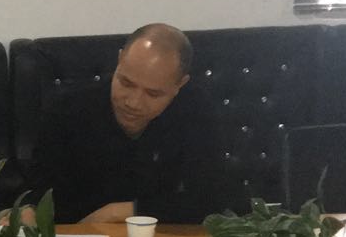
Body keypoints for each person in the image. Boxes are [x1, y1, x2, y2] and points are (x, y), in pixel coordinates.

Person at [25, 22, 225, 224]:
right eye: (126, 83)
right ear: (120, 59)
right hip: (80, 235)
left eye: (153, 94)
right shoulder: (68, 109)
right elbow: (42, 193)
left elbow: (210, 199)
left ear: (179, 84)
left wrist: (123, 212)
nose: (133, 103)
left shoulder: (196, 110)